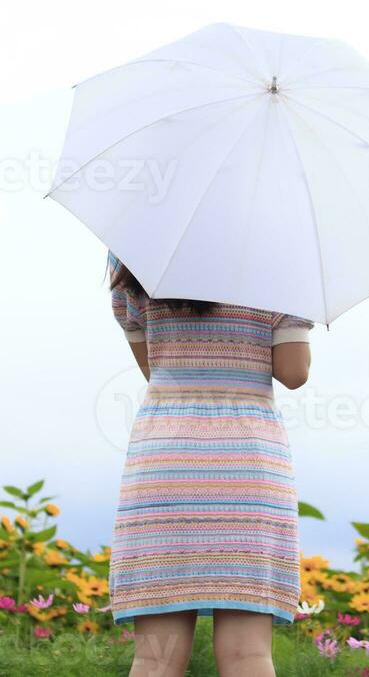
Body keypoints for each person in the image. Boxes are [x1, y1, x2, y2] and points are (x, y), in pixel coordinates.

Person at [106, 250, 313, 677]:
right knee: (248, 656)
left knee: (154, 659)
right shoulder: (280, 246)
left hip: (163, 460)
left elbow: (157, 369)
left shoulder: (135, 244)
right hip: (247, 462)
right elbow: (293, 372)